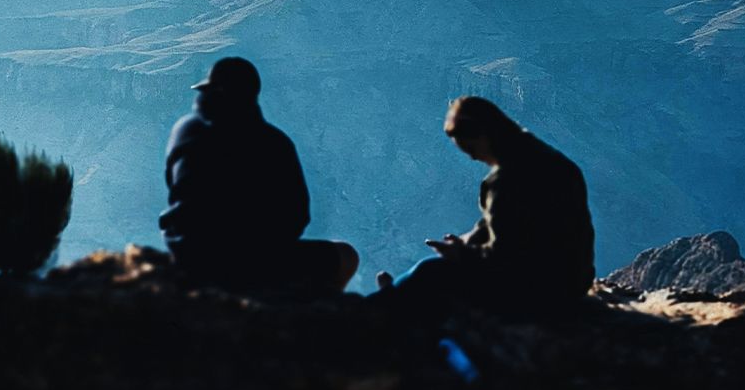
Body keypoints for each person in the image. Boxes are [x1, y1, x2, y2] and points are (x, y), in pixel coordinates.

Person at [375, 96, 595, 311]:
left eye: (470, 149)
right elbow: (516, 222)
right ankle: (392, 297)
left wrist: (461, 255)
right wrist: (469, 239)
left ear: (485, 135)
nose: (472, 158)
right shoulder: (553, 160)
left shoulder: (504, 181)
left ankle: (386, 304)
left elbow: (505, 260)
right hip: (575, 280)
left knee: (430, 272)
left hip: (540, 291)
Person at [159, 56, 358, 291]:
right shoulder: (275, 143)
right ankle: (325, 309)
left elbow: (174, 185)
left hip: (187, 254)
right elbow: (297, 217)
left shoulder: (185, 130)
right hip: (250, 264)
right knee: (345, 256)